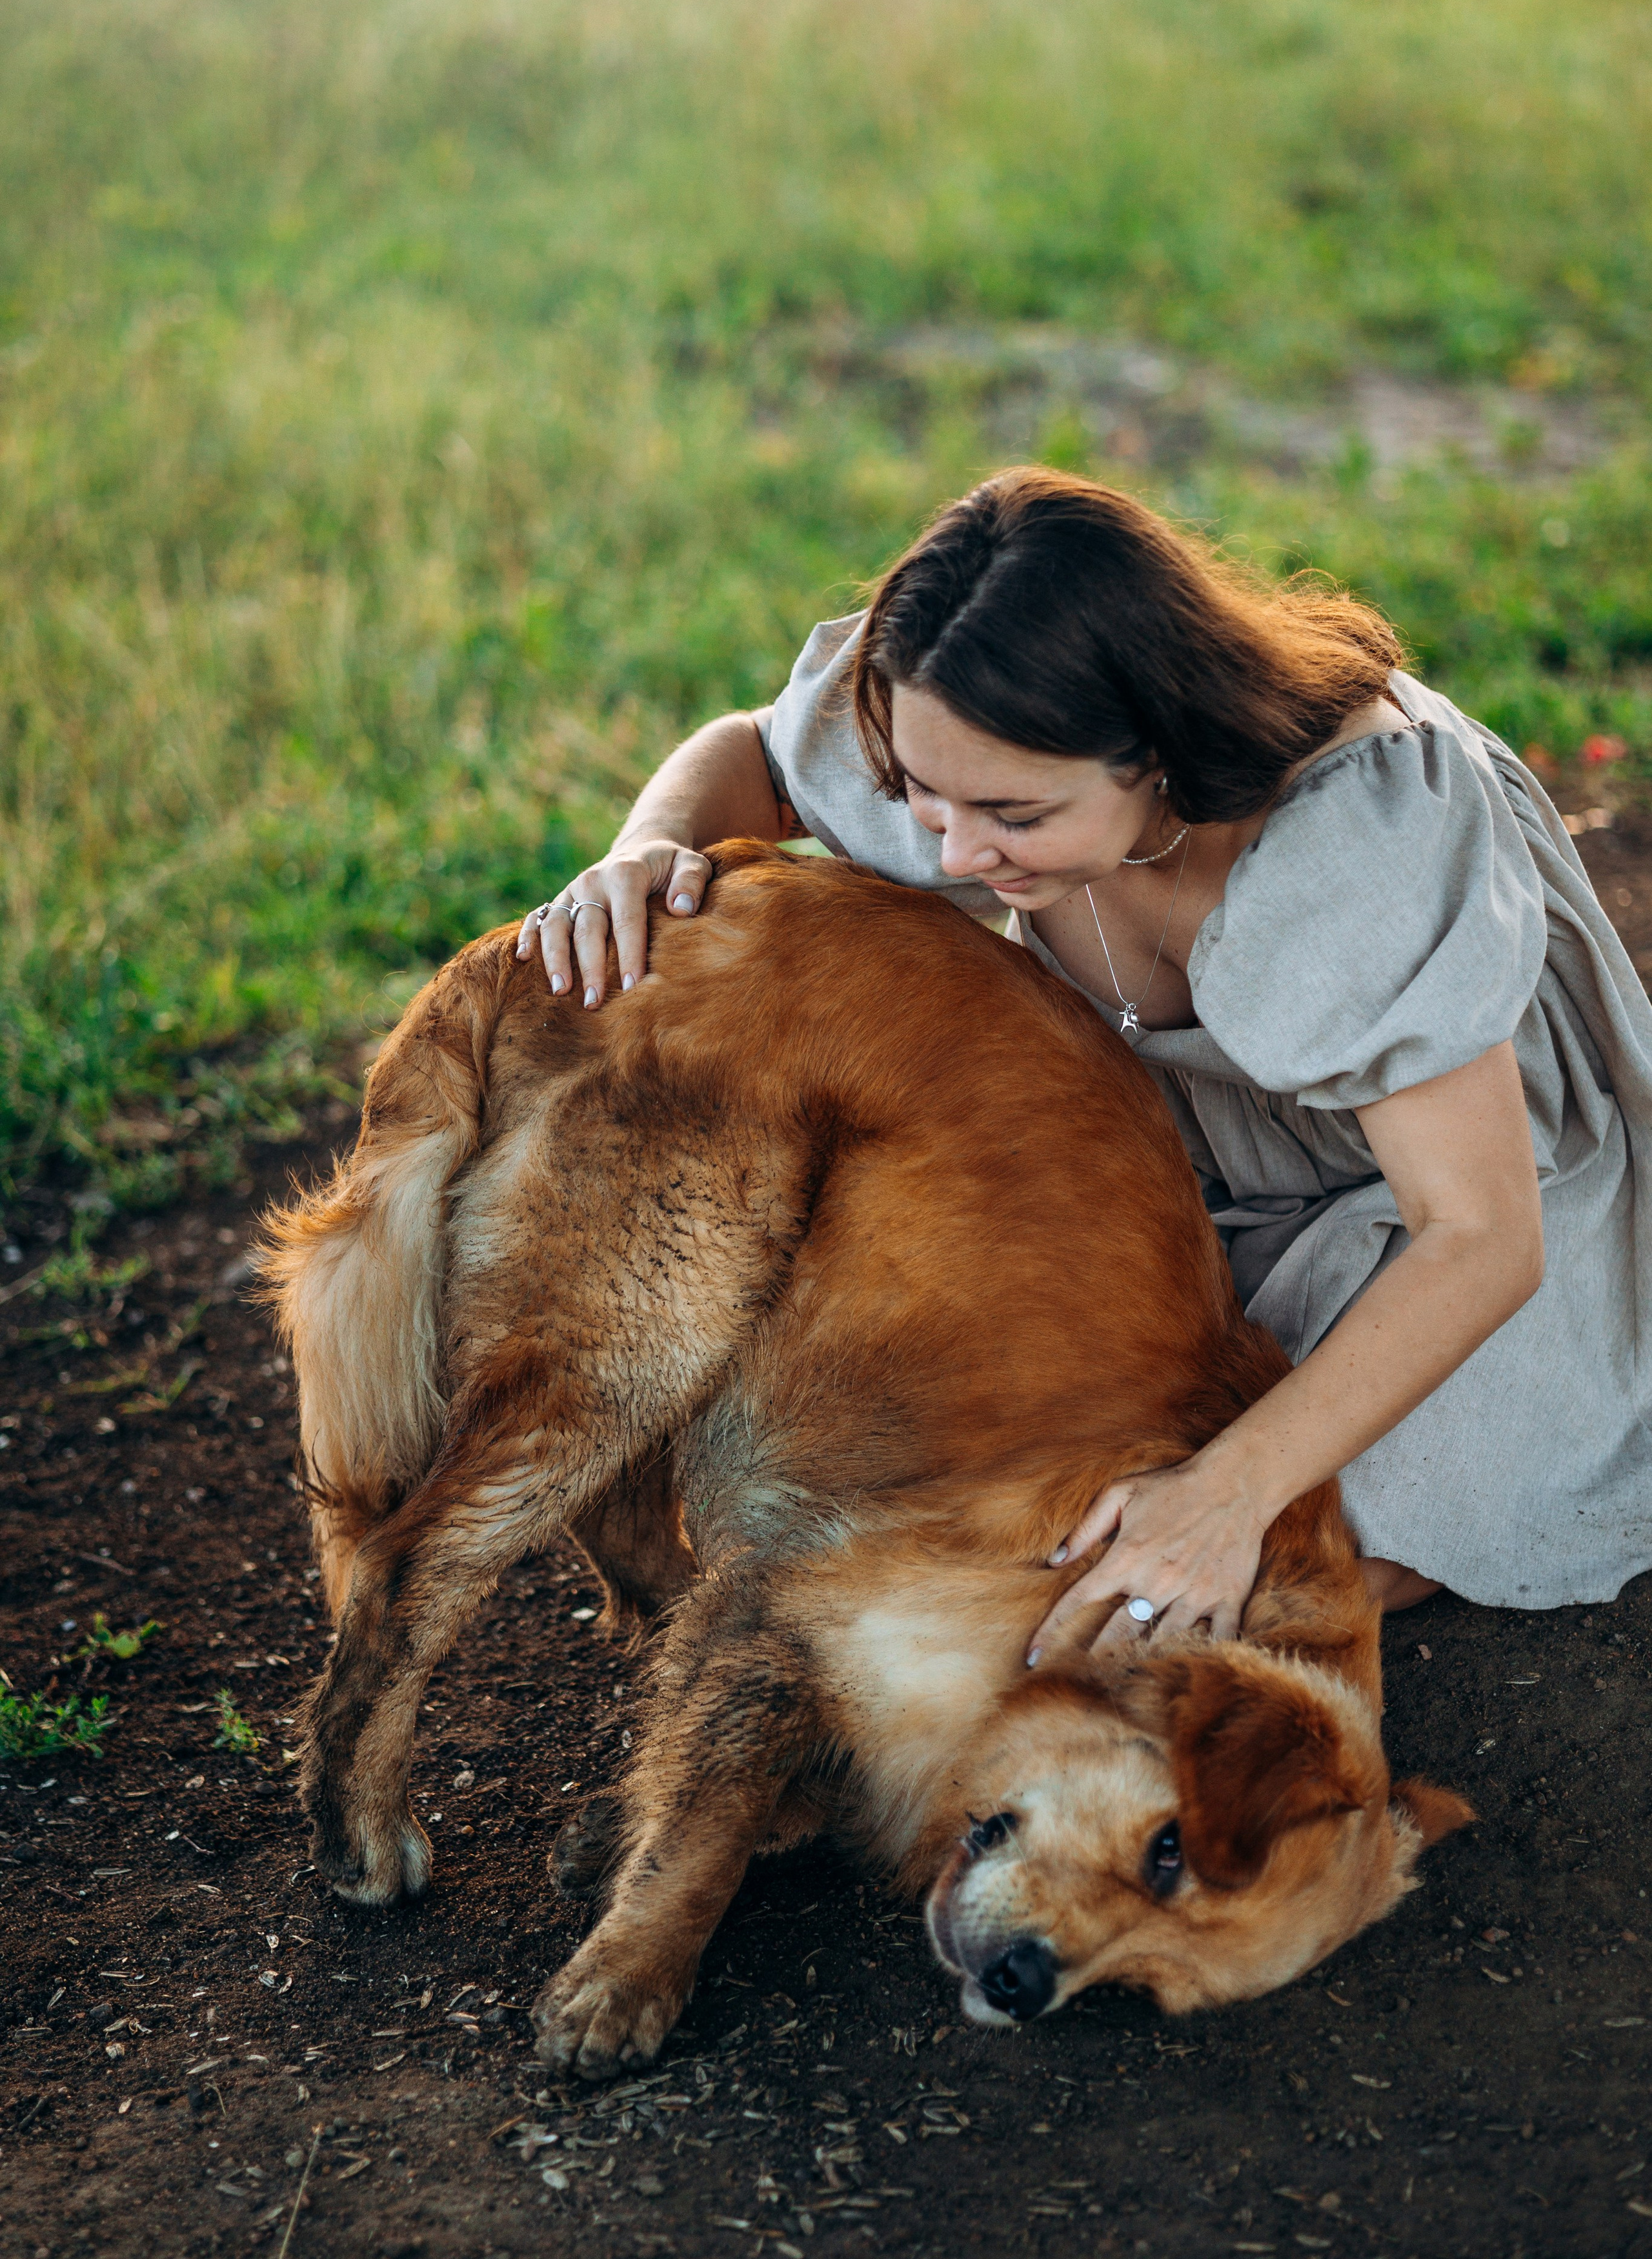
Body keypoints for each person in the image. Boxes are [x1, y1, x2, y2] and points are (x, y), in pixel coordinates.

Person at [516, 467, 1652, 1653]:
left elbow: (1480, 1237)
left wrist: (1229, 1491)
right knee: (1011, 1475)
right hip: (1174, 1178)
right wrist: (647, 846)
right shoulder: (965, 723)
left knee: (1285, 1552)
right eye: (919, 794)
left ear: (1157, 746)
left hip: (1464, 1197)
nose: (954, 849)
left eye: (1013, 816)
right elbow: (757, 751)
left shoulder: (1359, 839)